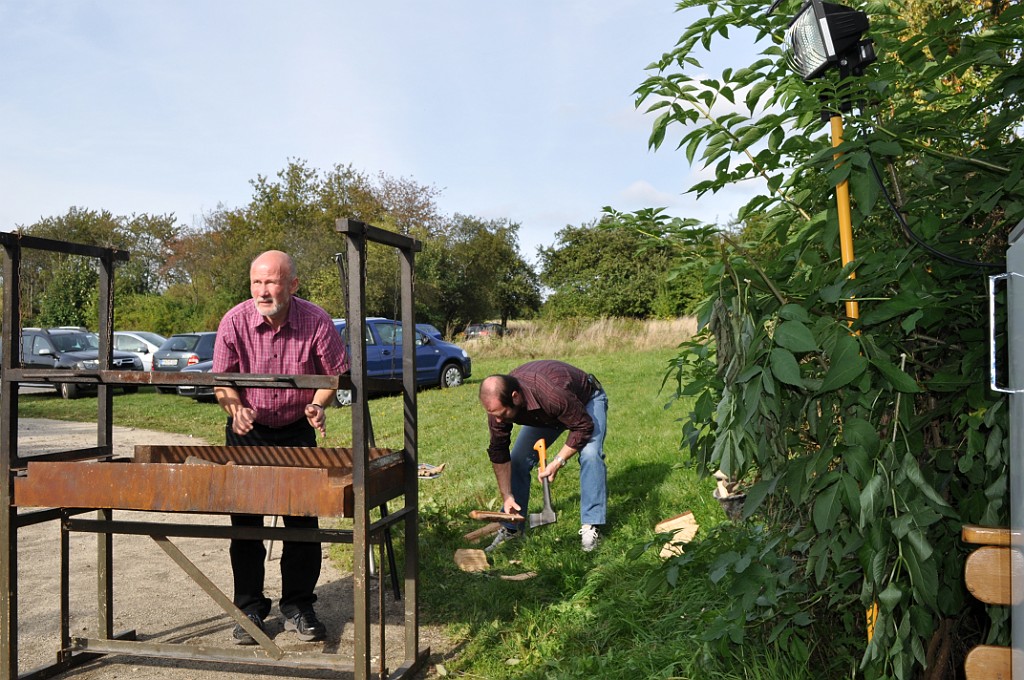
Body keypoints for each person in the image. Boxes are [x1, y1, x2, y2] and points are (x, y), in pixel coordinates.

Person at [212, 250, 349, 645]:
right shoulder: (234, 321)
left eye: (271, 282)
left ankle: (299, 606)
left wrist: (318, 403)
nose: (263, 291)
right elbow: (222, 381)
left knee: (303, 522)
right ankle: (251, 608)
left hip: (295, 428)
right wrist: (234, 407)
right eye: (257, 282)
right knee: (246, 525)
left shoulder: (316, 320)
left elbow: (335, 375)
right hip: (247, 430)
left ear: (292, 285)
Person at [478, 359, 608, 553]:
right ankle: (512, 529)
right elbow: (499, 451)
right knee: (519, 460)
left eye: (502, 414)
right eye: (494, 414)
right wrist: (507, 495)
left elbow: (583, 426)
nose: (498, 420)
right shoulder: (497, 407)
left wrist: (558, 461)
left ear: (515, 397)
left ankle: (591, 525)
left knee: (590, 454)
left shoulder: (551, 392)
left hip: (585, 401)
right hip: (545, 415)